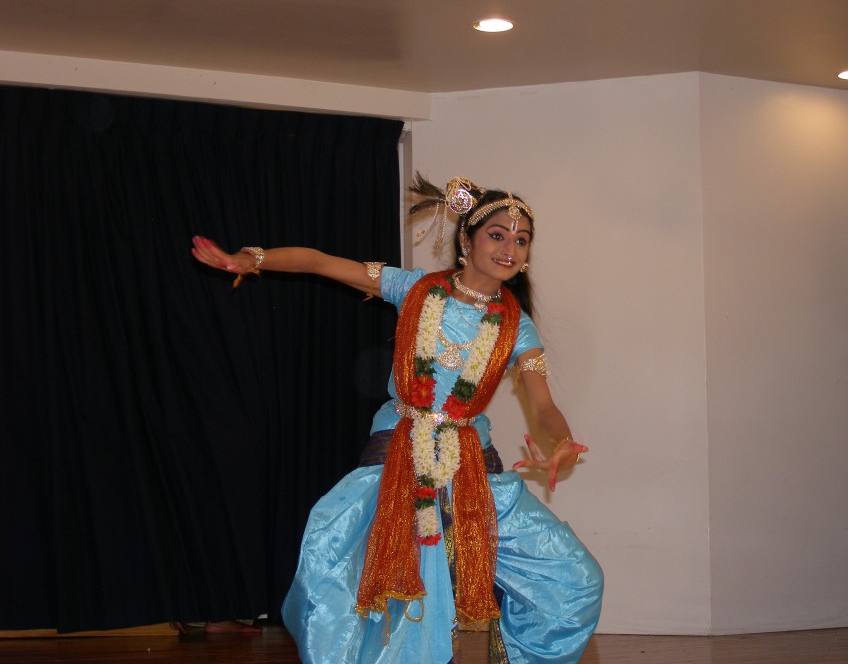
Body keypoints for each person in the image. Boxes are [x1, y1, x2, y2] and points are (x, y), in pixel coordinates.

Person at [190, 174, 603, 663]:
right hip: (398, 452)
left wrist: (561, 442)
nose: (509, 249)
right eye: (497, 235)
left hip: (472, 463)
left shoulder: (518, 327)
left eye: (521, 240)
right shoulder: (414, 289)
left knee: (574, 580)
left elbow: (543, 405)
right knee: (346, 575)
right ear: (467, 240)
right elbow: (319, 262)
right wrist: (252, 260)